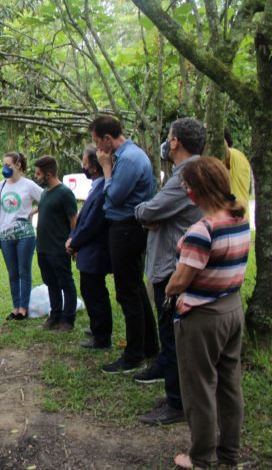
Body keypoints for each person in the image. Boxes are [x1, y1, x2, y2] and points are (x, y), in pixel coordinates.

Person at [166, 157, 251, 470]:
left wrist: (168, 291)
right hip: (232, 308)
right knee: (229, 385)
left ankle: (201, 457)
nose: (186, 190)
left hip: (202, 316)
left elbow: (180, 280)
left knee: (199, 388)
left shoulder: (202, 230)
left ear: (197, 190)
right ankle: (229, 452)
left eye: (187, 185)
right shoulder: (238, 215)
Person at [134, 118, 204, 426]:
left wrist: (146, 213)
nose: (166, 142)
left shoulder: (187, 174)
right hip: (178, 260)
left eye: (168, 137)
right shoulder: (196, 170)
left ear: (175, 142)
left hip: (173, 267)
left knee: (172, 336)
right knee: (175, 336)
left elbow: (149, 211)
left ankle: (176, 403)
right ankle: (177, 395)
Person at [90, 115, 158, 374]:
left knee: (127, 293)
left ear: (108, 139)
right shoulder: (130, 156)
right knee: (136, 290)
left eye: (98, 142)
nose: (98, 149)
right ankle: (150, 346)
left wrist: (106, 170)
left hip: (127, 229)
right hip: (127, 228)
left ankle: (134, 355)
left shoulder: (128, 159)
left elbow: (115, 196)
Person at [66, 146, 112, 349]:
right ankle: (97, 328)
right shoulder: (97, 186)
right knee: (90, 290)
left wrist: (74, 241)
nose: (83, 167)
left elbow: (91, 223)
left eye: (84, 163)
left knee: (95, 293)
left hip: (95, 251)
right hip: (89, 250)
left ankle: (102, 337)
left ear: (93, 167)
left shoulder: (102, 189)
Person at [0, 151, 43, 320]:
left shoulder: (28, 185)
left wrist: (33, 211)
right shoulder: (1, 186)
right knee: (12, 273)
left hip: (25, 236)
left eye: (8, 165)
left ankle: (23, 308)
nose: (5, 169)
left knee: (24, 272)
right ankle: (15, 307)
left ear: (18, 165)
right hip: (6, 236)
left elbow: (47, 199)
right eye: (3, 165)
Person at [34, 156, 78, 332]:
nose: (36, 176)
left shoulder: (65, 193)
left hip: (59, 248)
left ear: (48, 173)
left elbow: (73, 220)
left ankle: (68, 319)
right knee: (51, 283)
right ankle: (55, 316)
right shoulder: (45, 193)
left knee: (66, 283)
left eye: (38, 173)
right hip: (43, 248)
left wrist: (73, 243)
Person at [223, 127, 252, 207]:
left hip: (235, 214)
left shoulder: (233, 154)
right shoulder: (241, 155)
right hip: (241, 214)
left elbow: (226, 152)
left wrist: (213, 129)